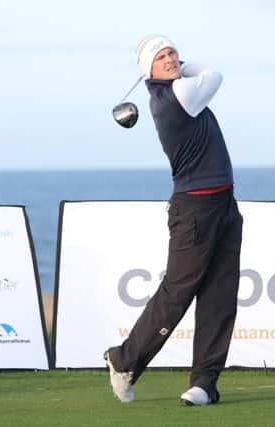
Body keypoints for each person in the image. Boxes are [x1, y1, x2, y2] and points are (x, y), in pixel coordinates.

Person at [104, 34, 243, 406]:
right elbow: (214, 74)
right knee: (178, 292)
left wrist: (175, 66)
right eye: (161, 56)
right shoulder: (177, 97)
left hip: (223, 204)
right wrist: (184, 66)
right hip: (194, 210)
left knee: (220, 295)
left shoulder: (178, 91)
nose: (171, 59)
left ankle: (204, 384)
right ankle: (124, 359)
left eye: (173, 53)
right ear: (147, 69)